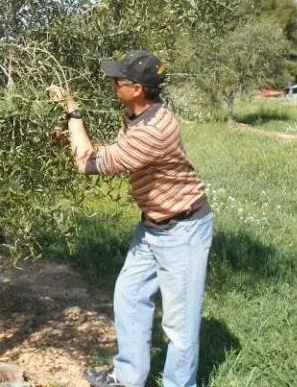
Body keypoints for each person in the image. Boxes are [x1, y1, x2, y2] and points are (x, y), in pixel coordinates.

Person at [50, 50, 213, 387]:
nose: (112, 84)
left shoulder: (153, 131)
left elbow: (86, 163)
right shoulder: (139, 114)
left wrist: (72, 110)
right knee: (129, 295)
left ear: (137, 88)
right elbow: (102, 151)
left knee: (179, 326)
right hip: (154, 225)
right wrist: (70, 134)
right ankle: (128, 377)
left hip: (182, 229)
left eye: (117, 80)